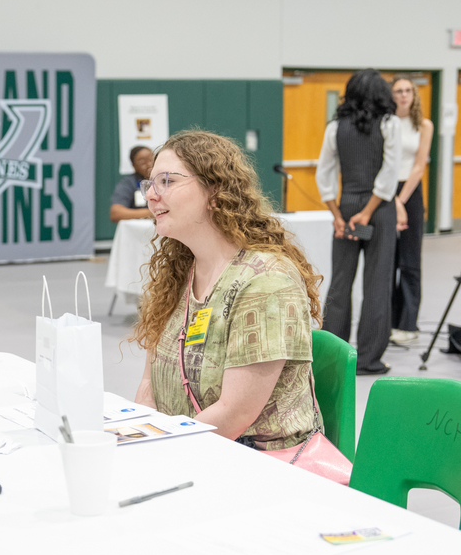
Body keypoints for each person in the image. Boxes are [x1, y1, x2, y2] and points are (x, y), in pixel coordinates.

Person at [132, 130, 323, 450]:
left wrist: (155, 452)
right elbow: (150, 384)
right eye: (149, 184)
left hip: (255, 463)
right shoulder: (179, 272)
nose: (151, 194)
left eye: (167, 181)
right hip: (189, 447)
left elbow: (234, 414)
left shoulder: (267, 282)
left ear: (215, 189)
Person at [316, 69, 402, 375]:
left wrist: (337, 215)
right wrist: (368, 211)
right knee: (377, 283)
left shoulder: (335, 127)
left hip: (346, 205)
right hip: (379, 210)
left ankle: (333, 357)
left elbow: (323, 174)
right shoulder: (390, 124)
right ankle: (368, 359)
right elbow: (390, 173)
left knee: (340, 283)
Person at [389, 75, 434, 345]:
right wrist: (391, 199)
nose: (404, 95)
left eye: (408, 90)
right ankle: (387, 321)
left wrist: (400, 201)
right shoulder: (387, 123)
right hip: (385, 190)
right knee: (387, 260)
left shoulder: (423, 125)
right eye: (398, 91)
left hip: (410, 192)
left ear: (414, 95)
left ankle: (407, 324)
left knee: (409, 260)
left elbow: (419, 166)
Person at [109, 145, 155, 222]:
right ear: (134, 165)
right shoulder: (128, 183)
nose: (148, 164)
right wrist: (152, 213)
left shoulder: (166, 179)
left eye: (151, 159)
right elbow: (116, 213)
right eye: (142, 161)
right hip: (140, 228)